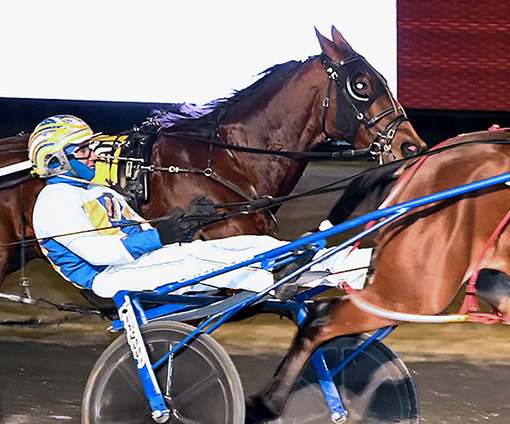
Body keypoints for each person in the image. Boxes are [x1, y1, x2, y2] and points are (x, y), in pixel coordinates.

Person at [28, 115, 369, 299]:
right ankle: (288, 278)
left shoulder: (98, 192)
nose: (92, 154)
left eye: (90, 147)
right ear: (57, 160)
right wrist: (163, 236)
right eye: (82, 151)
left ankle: (344, 265)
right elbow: (100, 253)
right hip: (108, 279)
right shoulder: (53, 202)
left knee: (245, 245)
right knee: (200, 259)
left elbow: (140, 231)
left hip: (139, 264)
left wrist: (184, 223)